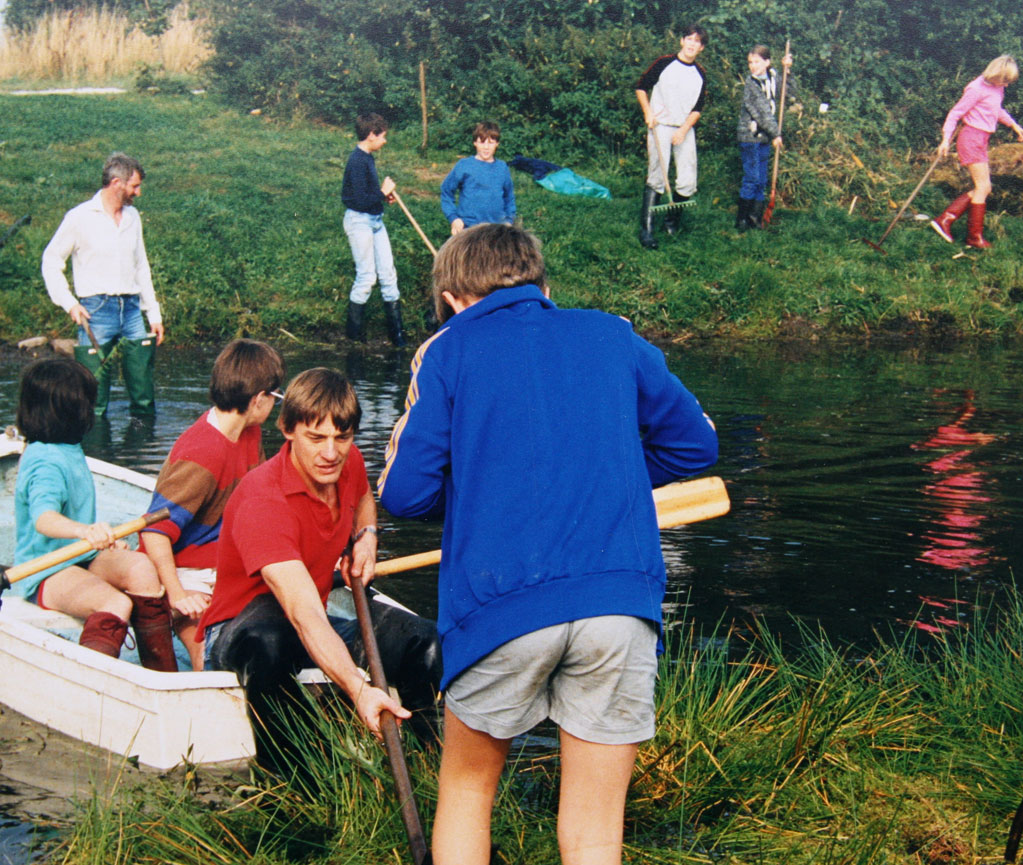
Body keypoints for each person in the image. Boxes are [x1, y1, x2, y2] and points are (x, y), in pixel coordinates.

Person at [378, 224, 719, 865]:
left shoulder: (445, 351)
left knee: (467, 791)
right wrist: (592, 471)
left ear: (451, 298)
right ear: (543, 285)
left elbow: (403, 491)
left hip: (499, 602)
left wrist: (493, 490)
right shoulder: (613, 333)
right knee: (594, 829)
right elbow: (697, 444)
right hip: (619, 600)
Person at [199, 367, 441, 771]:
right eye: (316, 438)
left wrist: (366, 535)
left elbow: (363, 494)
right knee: (271, 643)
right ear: (287, 429)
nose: (331, 453)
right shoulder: (263, 499)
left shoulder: (347, 462)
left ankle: (429, 766)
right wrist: (359, 690)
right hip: (241, 630)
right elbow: (304, 614)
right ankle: (290, 787)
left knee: (426, 642)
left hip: (314, 613)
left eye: (341, 438)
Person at [13, 357, 176, 671]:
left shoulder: (66, 447)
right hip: (46, 572)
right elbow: (44, 519)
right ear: (67, 410)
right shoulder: (45, 462)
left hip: (79, 557)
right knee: (116, 603)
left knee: (141, 566)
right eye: (86, 404)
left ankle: (163, 674)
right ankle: (90, 681)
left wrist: (98, 540)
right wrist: (84, 532)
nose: (91, 410)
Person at [139, 339, 285, 671]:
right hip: (184, 571)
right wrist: (177, 594)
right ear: (259, 399)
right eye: (275, 396)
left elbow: (259, 503)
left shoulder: (249, 432)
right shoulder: (203, 452)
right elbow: (154, 532)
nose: (275, 404)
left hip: (223, 564)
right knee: (208, 654)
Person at [42, 152, 166, 417]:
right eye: (135, 186)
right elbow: (51, 260)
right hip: (96, 310)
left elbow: (141, 266)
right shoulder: (79, 217)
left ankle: (143, 449)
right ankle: (95, 449)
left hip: (132, 309)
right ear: (116, 183)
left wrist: (153, 314)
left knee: (144, 393)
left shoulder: (133, 217)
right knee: (94, 397)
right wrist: (70, 304)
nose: (139, 192)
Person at [931, 55, 1023, 249]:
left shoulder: (997, 87)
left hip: (982, 139)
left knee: (984, 187)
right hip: (971, 139)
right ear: (995, 74)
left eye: (1009, 81)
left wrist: (1014, 126)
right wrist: (945, 140)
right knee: (983, 187)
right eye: (1005, 80)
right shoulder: (976, 89)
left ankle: (946, 219)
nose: (1007, 85)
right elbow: (955, 114)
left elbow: (996, 110)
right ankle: (973, 238)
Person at [634, 25, 708, 249]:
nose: (692, 44)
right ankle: (646, 230)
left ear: (701, 48)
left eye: (697, 41)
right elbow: (641, 87)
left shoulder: (700, 73)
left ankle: (671, 220)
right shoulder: (664, 63)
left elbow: (698, 108)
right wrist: (648, 112)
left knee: (687, 181)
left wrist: (684, 130)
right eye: (689, 39)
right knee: (657, 176)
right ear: (682, 41)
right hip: (660, 126)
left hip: (683, 128)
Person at [342, 113, 406, 347]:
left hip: (375, 220)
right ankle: (354, 339)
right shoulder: (357, 161)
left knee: (389, 274)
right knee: (367, 277)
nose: (385, 141)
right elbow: (357, 200)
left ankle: (398, 338)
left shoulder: (368, 157)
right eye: (382, 137)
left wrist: (382, 198)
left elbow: (367, 195)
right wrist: (380, 193)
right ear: (371, 135)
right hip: (359, 222)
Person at [736, 44, 795, 230]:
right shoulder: (751, 84)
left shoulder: (773, 77)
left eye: (757, 62)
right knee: (752, 178)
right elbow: (762, 112)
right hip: (750, 136)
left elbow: (790, 93)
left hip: (765, 138)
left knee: (761, 180)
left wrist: (787, 71)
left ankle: (755, 218)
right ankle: (742, 220)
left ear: (767, 62)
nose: (753, 66)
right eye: (750, 62)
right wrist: (776, 134)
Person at [440, 121, 516, 235]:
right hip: (469, 227)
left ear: (497, 144)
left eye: (491, 143)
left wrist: (509, 220)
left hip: (496, 228)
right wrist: (454, 218)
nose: (486, 147)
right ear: (475, 142)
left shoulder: (502, 167)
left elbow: (509, 197)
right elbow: (446, 191)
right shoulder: (464, 165)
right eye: (482, 142)